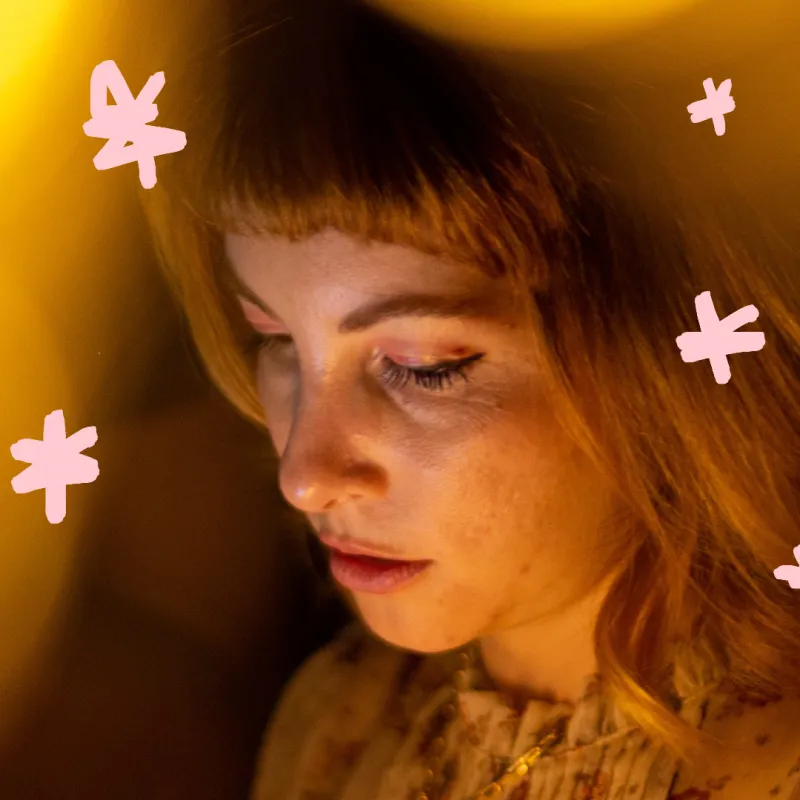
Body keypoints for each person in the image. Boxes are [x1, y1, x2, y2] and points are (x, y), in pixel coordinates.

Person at [144, 0, 800, 797]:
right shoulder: (343, 724)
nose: (305, 477)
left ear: (664, 358)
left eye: (422, 366)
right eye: (275, 339)